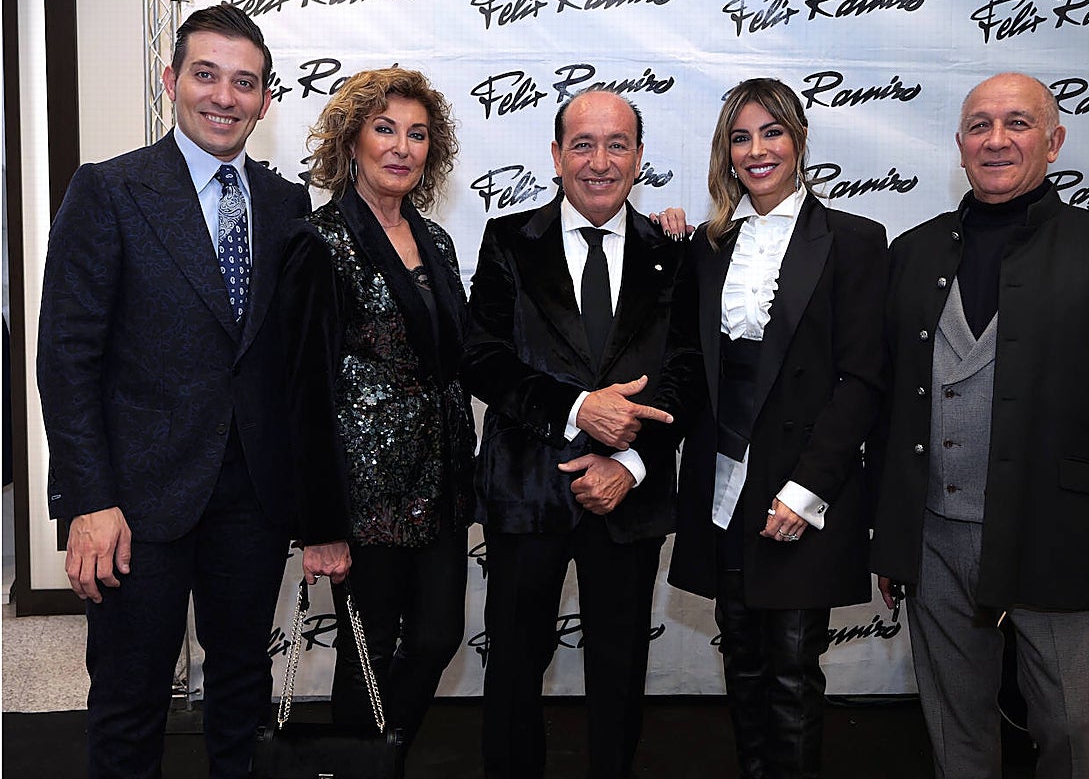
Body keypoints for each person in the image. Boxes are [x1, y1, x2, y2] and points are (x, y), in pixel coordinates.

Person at [36, 4, 328, 778]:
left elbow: (288, 358)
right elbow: (66, 358)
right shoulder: (108, 189)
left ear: (265, 99)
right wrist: (87, 501)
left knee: (242, 693)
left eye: (244, 82)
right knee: (130, 701)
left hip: (252, 498)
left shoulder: (285, 204)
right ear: (170, 81)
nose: (224, 97)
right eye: (206, 74)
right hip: (134, 500)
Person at [870, 72, 1089, 779]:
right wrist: (891, 535)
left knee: (1073, 732)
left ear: (1055, 140)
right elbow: (889, 408)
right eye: (980, 125)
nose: (996, 140)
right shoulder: (912, 253)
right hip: (933, 537)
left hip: (1061, 541)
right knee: (955, 734)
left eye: (1018, 122)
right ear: (959, 144)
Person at [463, 89, 702, 779]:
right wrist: (577, 409)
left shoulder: (673, 253)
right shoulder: (509, 240)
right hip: (525, 493)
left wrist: (630, 463)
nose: (600, 161)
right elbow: (482, 358)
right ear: (556, 154)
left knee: (621, 672)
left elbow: (687, 371)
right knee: (513, 669)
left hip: (631, 497)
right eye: (584, 145)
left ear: (639, 157)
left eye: (617, 145)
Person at [666, 77, 888, 779]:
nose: (757, 150)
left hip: (801, 484)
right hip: (723, 485)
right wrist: (664, 231)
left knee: (793, 669)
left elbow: (862, 379)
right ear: (725, 153)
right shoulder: (707, 246)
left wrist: (806, 490)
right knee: (743, 659)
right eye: (741, 137)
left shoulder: (853, 239)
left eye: (772, 132)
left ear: (799, 140)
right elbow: (687, 364)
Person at [277, 68, 476, 771]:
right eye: (385, 129)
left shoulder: (437, 242)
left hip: (441, 488)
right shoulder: (319, 242)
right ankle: (360, 765)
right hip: (364, 499)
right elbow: (304, 391)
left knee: (437, 637)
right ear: (351, 140)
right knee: (368, 655)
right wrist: (322, 525)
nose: (401, 147)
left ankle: (374, 763)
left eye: (417, 134)